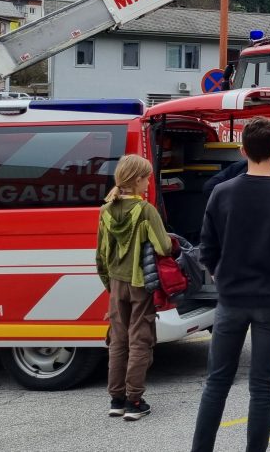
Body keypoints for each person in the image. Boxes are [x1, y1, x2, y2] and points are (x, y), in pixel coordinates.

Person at [191, 117, 270, 452]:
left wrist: (222, 277)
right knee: (261, 386)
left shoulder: (222, 192)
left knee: (217, 382)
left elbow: (207, 249)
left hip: (232, 298)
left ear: (242, 150)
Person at [96, 154, 172, 422]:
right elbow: (163, 246)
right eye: (147, 178)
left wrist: (110, 286)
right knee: (140, 341)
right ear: (137, 180)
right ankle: (134, 400)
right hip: (140, 284)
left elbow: (101, 256)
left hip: (116, 283)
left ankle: (116, 399)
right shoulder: (145, 210)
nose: (149, 182)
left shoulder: (106, 210)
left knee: (118, 340)